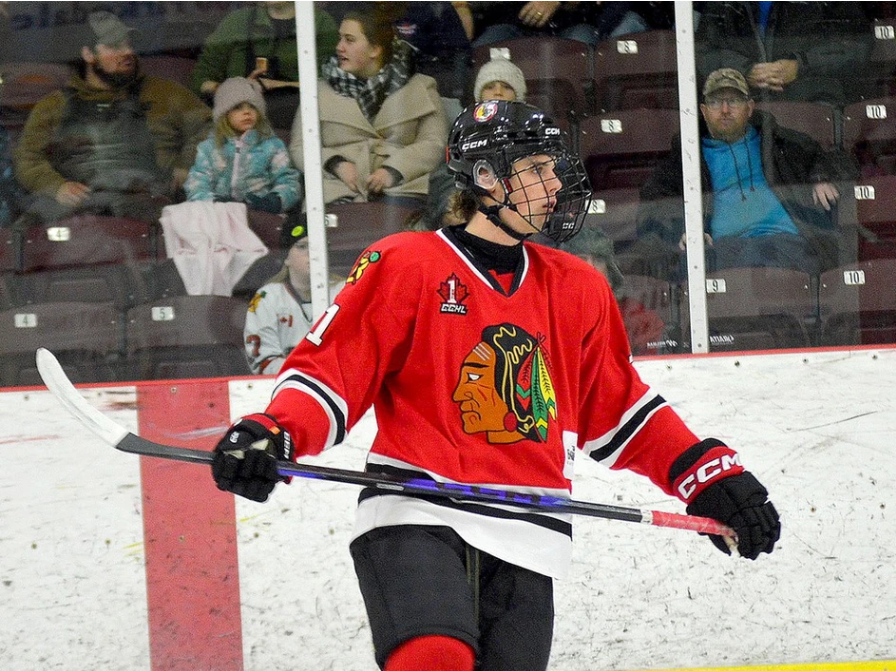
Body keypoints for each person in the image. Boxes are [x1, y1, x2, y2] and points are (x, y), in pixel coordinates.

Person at [210, 100, 780, 671]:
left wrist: (706, 475)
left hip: (530, 530)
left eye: (554, 169)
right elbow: (332, 370)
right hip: (418, 512)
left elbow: (619, 409)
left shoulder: (579, 287)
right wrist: (275, 430)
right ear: (485, 176)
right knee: (435, 658)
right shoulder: (405, 262)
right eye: (536, 170)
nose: (554, 185)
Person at [636, 68, 859, 278]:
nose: (725, 110)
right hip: (723, 252)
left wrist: (820, 176)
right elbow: (653, 203)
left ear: (749, 108)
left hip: (788, 245)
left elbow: (840, 159)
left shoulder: (779, 143)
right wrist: (683, 231)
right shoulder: (686, 157)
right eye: (715, 102)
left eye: (733, 101)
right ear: (703, 111)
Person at [12, 10, 211, 227]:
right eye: (115, 46)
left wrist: (188, 165)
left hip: (152, 206)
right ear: (88, 54)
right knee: (24, 231)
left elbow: (209, 127)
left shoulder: (166, 93)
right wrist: (57, 187)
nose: (128, 52)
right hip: (76, 214)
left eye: (128, 44)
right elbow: (27, 157)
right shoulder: (54, 105)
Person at [289, 7, 447, 207]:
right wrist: (336, 164)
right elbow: (300, 146)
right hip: (336, 191)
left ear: (375, 49)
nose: (339, 47)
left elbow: (434, 143)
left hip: (403, 190)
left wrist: (393, 171)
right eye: (340, 39)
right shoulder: (318, 91)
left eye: (349, 40)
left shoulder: (421, 86)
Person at [416, 55, 528, 230]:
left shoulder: (535, 133)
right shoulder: (463, 134)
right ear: (479, 96)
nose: (498, 92)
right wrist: (451, 206)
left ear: (517, 96)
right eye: (490, 87)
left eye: (506, 87)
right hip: (469, 213)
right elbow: (446, 176)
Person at [189, 2, 339, 129]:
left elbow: (330, 84)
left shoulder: (320, 24)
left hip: (297, 121)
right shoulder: (237, 22)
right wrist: (237, 90)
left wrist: (276, 85)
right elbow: (201, 78)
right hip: (235, 123)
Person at [695, 2, 873, 104]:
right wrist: (744, 70)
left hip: (812, 111)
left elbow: (857, 45)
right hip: (742, 114)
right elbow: (702, 49)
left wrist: (800, 65)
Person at [184, 76, 301, 215]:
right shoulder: (209, 148)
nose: (247, 112)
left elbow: (288, 181)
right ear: (224, 114)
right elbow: (196, 184)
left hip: (260, 213)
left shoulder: (272, 146)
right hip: (219, 214)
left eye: (252, 106)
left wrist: (274, 201)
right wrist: (215, 202)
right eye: (238, 107)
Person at [244, 221, 342, 375]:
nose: (312, 253)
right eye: (302, 246)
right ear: (286, 257)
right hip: (287, 386)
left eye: (319, 246)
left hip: (336, 385)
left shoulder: (346, 292)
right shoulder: (267, 297)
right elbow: (264, 362)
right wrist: (309, 375)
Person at [563, 225, 667, 356]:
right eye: (581, 259)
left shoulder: (641, 319)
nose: (591, 267)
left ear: (610, 269)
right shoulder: (554, 318)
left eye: (599, 260)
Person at [467, 1, 648, 47]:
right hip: (514, 24)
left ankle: (584, 120)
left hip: (576, 23)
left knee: (581, 47)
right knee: (483, 49)